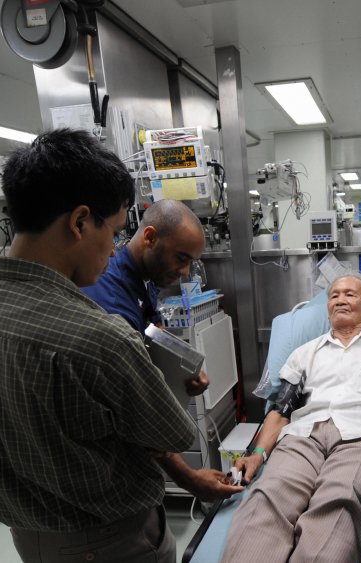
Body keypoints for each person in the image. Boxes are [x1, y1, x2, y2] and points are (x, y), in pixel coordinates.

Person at [0, 129, 199, 563]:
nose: (115, 250)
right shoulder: (99, 336)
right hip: (113, 542)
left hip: (27, 536)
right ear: (79, 222)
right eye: (114, 232)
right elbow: (173, 433)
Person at [220, 274, 361, 563]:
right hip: (302, 437)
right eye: (334, 295)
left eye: (350, 294)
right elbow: (280, 412)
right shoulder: (304, 355)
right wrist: (257, 454)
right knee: (267, 499)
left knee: (341, 501)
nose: (340, 300)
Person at [82, 198, 244, 502]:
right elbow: (136, 409)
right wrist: (191, 479)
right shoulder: (113, 301)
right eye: (181, 258)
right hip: (107, 468)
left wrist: (184, 367)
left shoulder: (144, 278)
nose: (185, 272)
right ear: (150, 238)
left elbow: (157, 333)